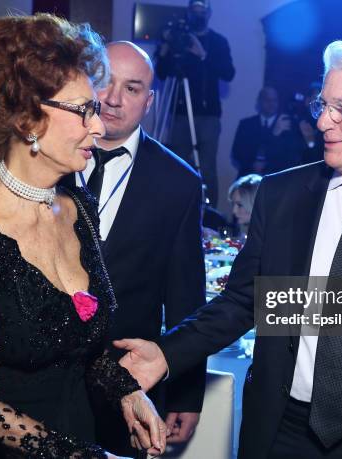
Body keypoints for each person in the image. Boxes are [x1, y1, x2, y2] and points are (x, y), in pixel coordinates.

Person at [115, 38, 342, 459]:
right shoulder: (282, 194)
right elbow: (244, 301)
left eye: (341, 108)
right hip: (281, 432)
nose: (324, 120)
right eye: (322, 105)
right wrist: (167, 353)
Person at [0, 15, 166, 459]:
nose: (99, 126)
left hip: (79, 425)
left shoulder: (77, 205)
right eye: (83, 111)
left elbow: (83, 347)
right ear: (27, 118)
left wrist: (129, 393)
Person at [61, 41, 206, 457]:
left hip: (126, 380)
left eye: (132, 88)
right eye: (104, 82)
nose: (111, 99)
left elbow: (186, 296)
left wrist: (185, 394)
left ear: (150, 101)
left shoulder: (179, 182)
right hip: (41, 370)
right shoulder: (49, 161)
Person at [155, 0, 235, 207]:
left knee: (206, 167)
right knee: (177, 164)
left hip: (208, 116)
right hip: (179, 113)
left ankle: (210, 214)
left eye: (202, 11)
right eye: (194, 11)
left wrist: (202, 54)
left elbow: (228, 73)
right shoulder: (178, 40)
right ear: (188, 12)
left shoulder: (218, 41)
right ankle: (174, 210)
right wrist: (166, 46)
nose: (198, 15)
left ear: (209, 14)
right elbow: (162, 73)